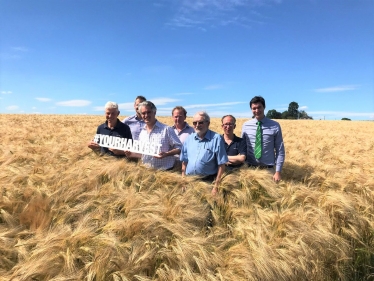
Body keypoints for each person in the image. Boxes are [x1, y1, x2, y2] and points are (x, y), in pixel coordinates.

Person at [180, 111, 228, 195]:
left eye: (200, 122)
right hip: (190, 181)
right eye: (195, 123)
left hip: (207, 182)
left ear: (208, 123)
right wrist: (183, 181)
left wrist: (216, 186)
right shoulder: (189, 139)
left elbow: (221, 165)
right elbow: (184, 161)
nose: (197, 125)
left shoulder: (216, 138)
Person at [125, 101, 182, 170]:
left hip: (165, 173)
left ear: (154, 112)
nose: (146, 115)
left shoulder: (166, 129)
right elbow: (142, 154)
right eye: (143, 113)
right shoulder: (142, 132)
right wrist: (131, 154)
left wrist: (166, 154)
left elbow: (179, 148)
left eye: (148, 112)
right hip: (146, 171)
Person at [241, 96, 285, 182]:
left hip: (268, 170)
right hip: (250, 169)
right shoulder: (246, 125)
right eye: (254, 108)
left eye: (259, 107)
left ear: (264, 107)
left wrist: (278, 171)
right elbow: (242, 147)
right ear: (251, 109)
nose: (257, 111)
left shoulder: (275, 125)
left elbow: (280, 150)